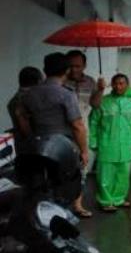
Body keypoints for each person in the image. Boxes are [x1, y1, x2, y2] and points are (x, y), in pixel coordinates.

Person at [16, 53, 91, 217]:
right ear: (67, 71)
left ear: (45, 70)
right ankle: (60, 217)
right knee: (66, 186)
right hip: (63, 148)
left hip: (37, 146)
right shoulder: (66, 94)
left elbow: (20, 114)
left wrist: (31, 136)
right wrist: (84, 151)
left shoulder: (30, 93)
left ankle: (43, 216)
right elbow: (77, 125)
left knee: (42, 185)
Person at [90, 74, 131, 212]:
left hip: (126, 144)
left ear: (127, 84)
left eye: (122, 83)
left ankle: (118, 199)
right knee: (105, 174)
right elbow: (93, 122)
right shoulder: (103, 102)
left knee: (123, 174)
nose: (119, 86)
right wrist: (93, 141)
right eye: (116, 83)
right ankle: (106, 200)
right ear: (111, 85)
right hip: (106, 143)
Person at [64, 50, 104, 174]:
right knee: (64, 166)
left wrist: (100, 90)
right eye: (71, 66)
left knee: (83, 165)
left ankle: (80, 190)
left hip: (82, 130)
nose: (74, 69)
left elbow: (95, 105)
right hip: (63, 130)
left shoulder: (90, 81)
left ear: (84, 66)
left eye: (78, 66)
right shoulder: (61, 82)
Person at [7, 67, 43, 150]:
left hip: (20, 144)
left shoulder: (13, 100)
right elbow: (25, 127)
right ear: (38, 81)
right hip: (32, 144)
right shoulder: (29, 99)